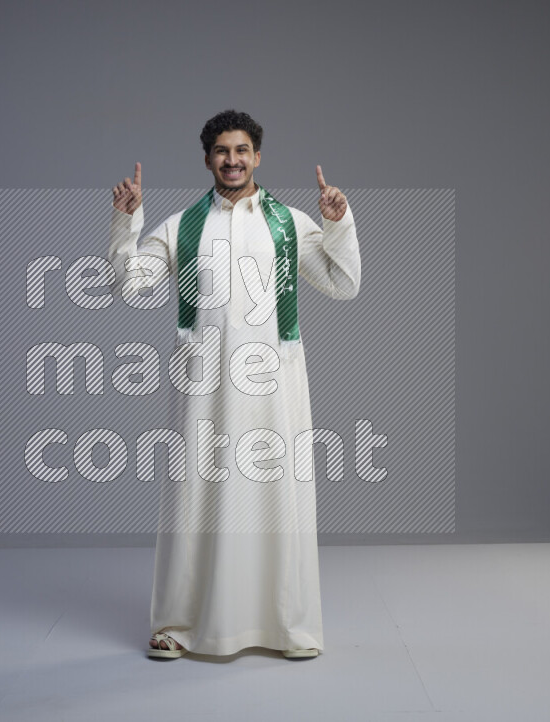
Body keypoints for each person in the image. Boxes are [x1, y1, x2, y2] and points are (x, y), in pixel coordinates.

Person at [108, 110, 361, 659]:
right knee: (194, 496)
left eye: (242, 150)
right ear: (207, 160)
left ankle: (288, 627)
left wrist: (338, 224)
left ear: (258, 157)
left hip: (274, 383)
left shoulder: (288, 223)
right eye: (222, 151)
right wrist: (126, 224)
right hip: (202, 385)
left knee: (277, 495)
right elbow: (130, 286)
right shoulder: (182, 226)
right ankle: (177, 625)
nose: (232, 160)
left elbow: (343, 283)